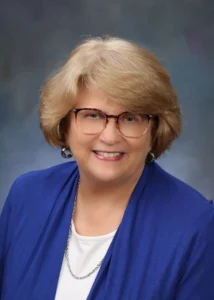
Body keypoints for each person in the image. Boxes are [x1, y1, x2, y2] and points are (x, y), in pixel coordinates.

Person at [0, 36, 214, 300]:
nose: (110, 136)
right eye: (93, 115)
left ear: (155, 129)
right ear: (65, 124)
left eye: (130, 118)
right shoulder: (26, 197)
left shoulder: (197, 226)